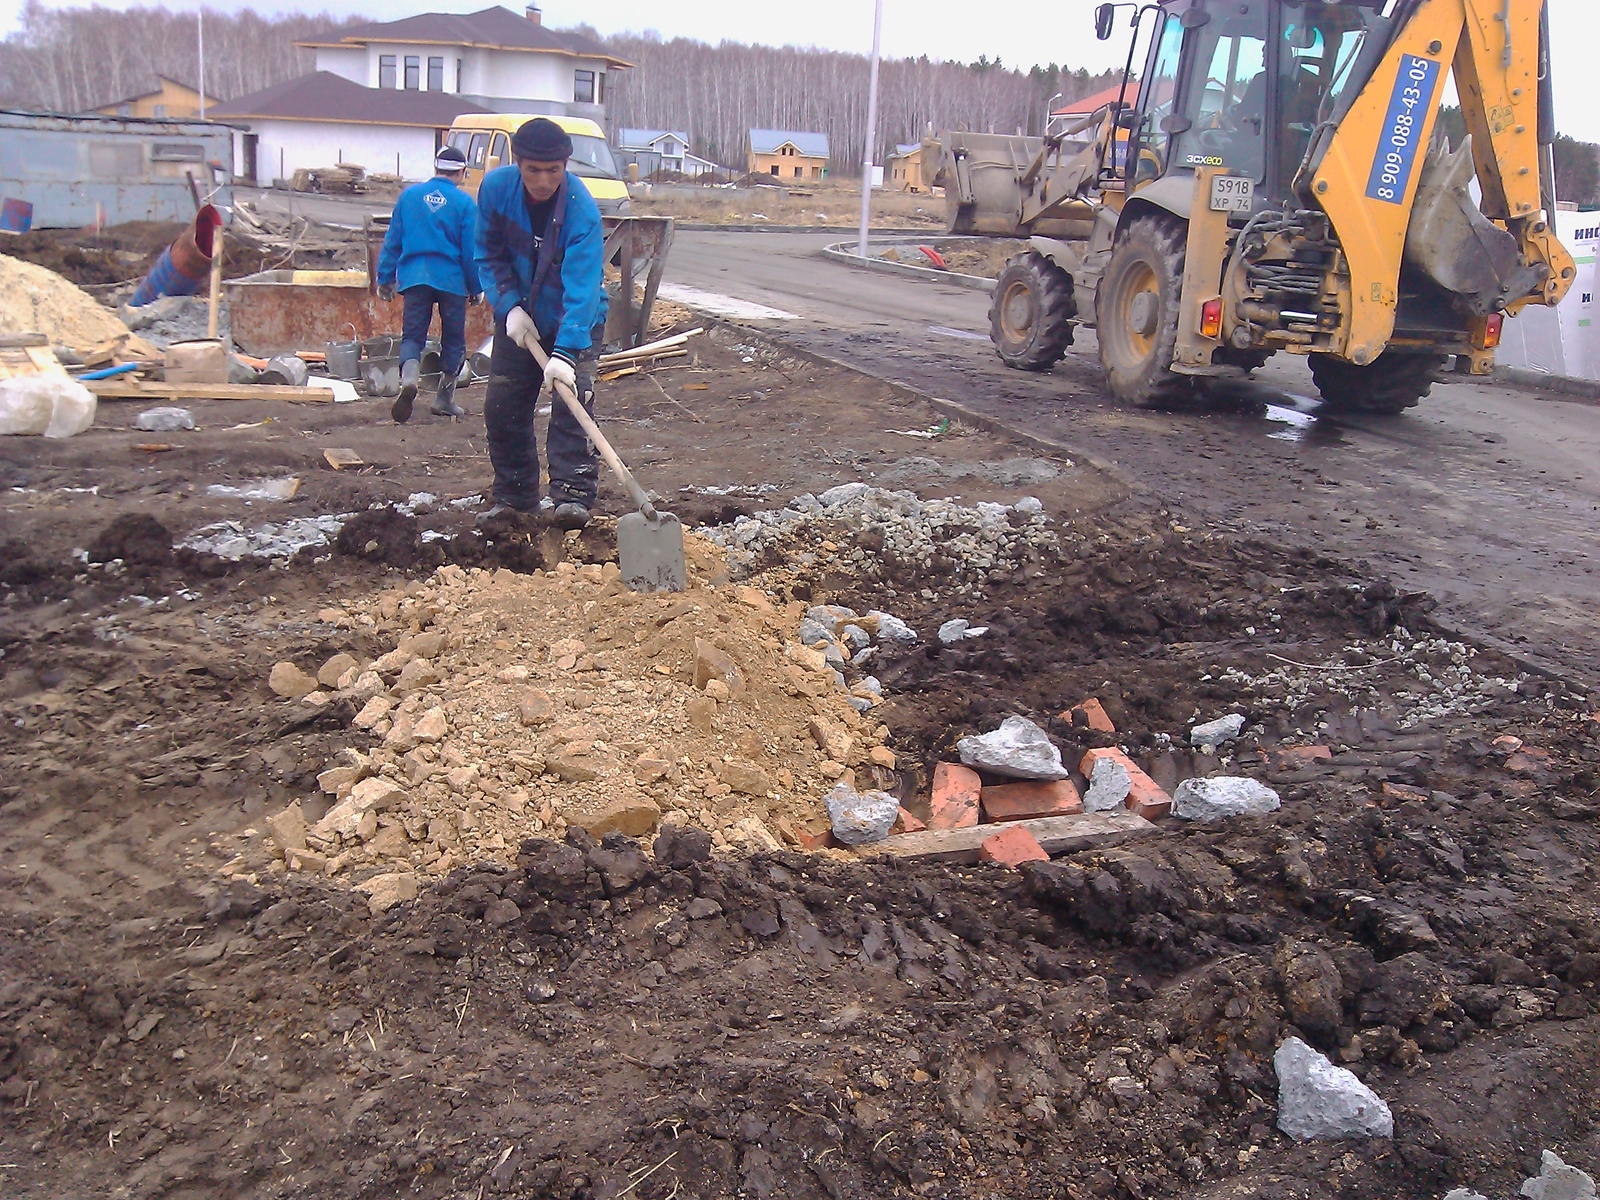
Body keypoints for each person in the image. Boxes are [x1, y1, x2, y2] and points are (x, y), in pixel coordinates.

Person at [474, 117, 608, 528]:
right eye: (534, 170)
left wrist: (566, 352)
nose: (544, 180)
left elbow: (582, 288)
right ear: (518, 163)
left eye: (554, 170)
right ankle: (514, 497)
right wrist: (509, 306)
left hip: (575, 320)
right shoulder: (496, 190)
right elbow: (488, 252)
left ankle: (572, 497)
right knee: (503, 407)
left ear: (566, 165)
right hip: (520, 320)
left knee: (572, 406)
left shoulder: (581, 211)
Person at [376, 144, 481, 423]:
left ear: (436, 169)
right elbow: (472, 251)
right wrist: (476, 286)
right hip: (452, 280)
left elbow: (393, 241)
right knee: (454, 339)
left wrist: (384, 278)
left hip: (415, 276)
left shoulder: (409, 197)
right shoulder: (465, 204)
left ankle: (409, 380)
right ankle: (444, 399)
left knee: (412, 335)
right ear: (461, 172)